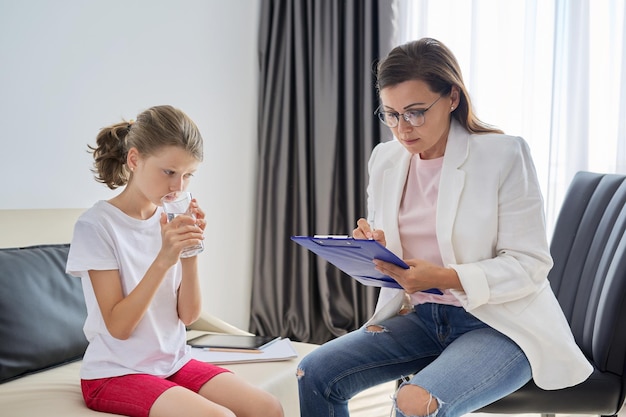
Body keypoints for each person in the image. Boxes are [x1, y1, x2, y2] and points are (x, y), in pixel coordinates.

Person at [296, 38, 593, 417]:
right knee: (315, 370)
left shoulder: (503, 155)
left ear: (452, 97)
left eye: (416, 112)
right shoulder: (386, 159)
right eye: (391, 114)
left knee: (415, 401)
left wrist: (447, 276)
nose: (403, 128)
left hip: (499, 325)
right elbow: (400, 258)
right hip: (422, 318)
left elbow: (530, 264)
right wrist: (375, 249)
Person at [66, 105, 284, 417]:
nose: (177, 187)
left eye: (187, 175)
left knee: (267, 407)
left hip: (172, 362)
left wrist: (190, 250)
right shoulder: (97, 225)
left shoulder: (168, 219)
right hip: (115, 372)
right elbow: (119, 327)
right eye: (169, 172)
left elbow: (189, 315)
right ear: (134, 159)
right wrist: (165, 259)